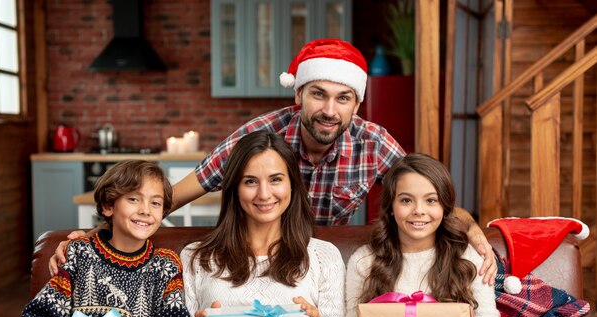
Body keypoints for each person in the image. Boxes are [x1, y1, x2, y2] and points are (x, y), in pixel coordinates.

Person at [48, 38, 497, 284]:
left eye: (343, 99)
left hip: (323, 262)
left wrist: (473, 228)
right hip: (264, 253)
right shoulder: (261, 135)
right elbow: (186, 189)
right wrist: (108, 232)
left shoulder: (374, 143)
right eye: (318, 94)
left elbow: (425, 194)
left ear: (356, 105)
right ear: (298, 93)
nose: (329, 109)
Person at [178, 130, 346, 317]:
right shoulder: (197, 257)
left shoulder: (322, 255)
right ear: (234, 188)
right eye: (250, 182)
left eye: (275, 180)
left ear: (292, 184)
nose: (264, 194)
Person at [335, 153, 509, 317]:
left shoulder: (466, 258)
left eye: (431, 200)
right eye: (406, 200)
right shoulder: (364, 261)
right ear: (391, 207)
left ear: (445, 207)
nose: (419, 210)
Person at [22, 160, 192, 317]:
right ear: (108, 206)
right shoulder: (79, 253)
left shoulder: (165, 264)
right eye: (134, 199)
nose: (146, 210)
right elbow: (38, 315)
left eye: (155, 203)